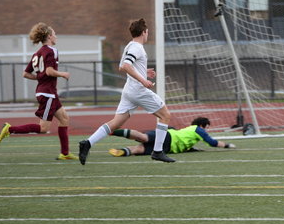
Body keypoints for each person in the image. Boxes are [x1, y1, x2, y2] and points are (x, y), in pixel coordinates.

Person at [78, 18, 174, 164]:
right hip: (138, 91)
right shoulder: (137, 48)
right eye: (147, 32)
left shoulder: (130, 45)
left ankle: (87, 143)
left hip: (129, 90)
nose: (147, 34)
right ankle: (158, 151)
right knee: (165, 115)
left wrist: (143, 72)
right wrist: (143, 80)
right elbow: (126, 66)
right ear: (144, 32)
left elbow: (122, 66)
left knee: (116, 123)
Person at [0, 23, 74, 160]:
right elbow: (49, 71)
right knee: (43, 129)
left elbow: (25, 74)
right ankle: (9, 129)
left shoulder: (37, 53)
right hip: (48, 94)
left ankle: (65, 153)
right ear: (49, 36)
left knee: (64, 119)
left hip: (47, 92)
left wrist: (40, 77)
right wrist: (62, 74)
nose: (56, 36)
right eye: (54, 34)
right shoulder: (52, 51)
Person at [107, 117, 236, 157]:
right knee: (142, 141)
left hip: (169, 143)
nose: (207, 130)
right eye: (207, 127)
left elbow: (186, 144)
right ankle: (114, 132)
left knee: (141, 146)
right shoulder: (198, 130)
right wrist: (227, 145)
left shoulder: (190, 132)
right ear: (202, 125)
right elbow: (212, 142)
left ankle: (121, 150)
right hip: (169, 140)